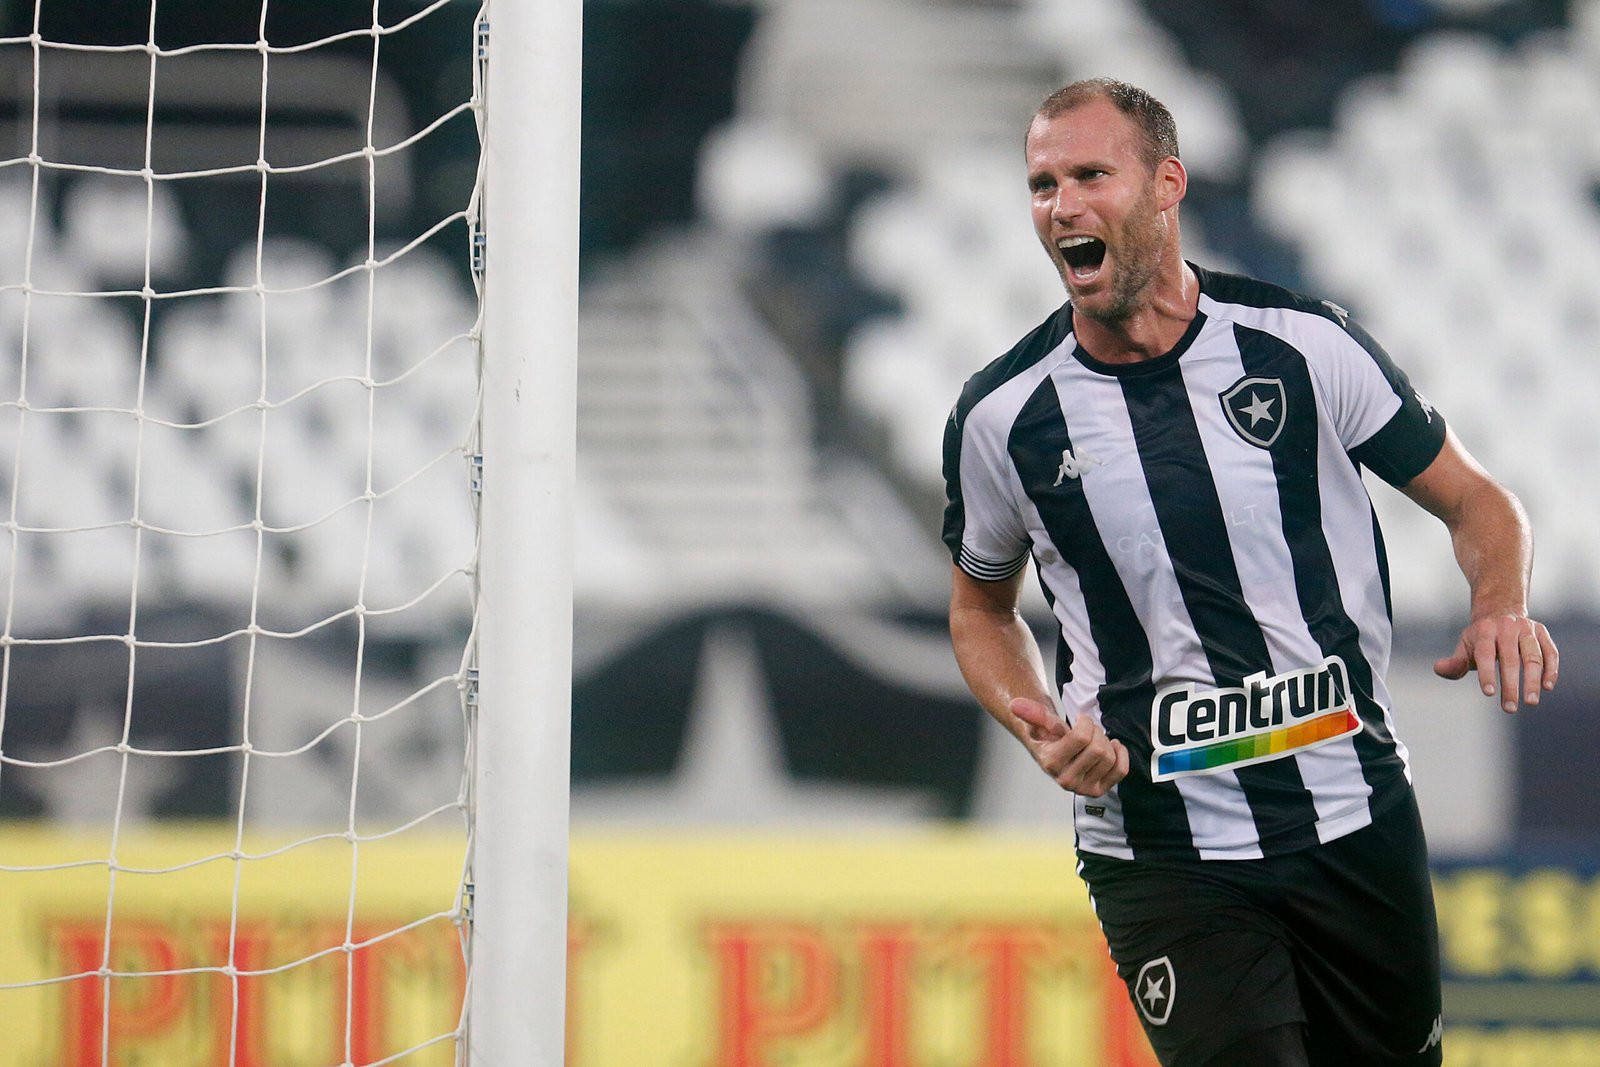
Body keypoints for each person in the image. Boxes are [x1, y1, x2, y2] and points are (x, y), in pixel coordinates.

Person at [941, 78, 1559, 1067]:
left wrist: (1499, 603)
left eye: (1089, 175)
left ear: (1165, 185)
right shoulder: (1003, 418)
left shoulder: (1302, 344)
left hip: (1352, 816)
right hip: (1161, 846)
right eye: (1041, 184)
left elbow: (1478, 502)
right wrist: (1038, 721)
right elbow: (980, 610)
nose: (1060, 206)